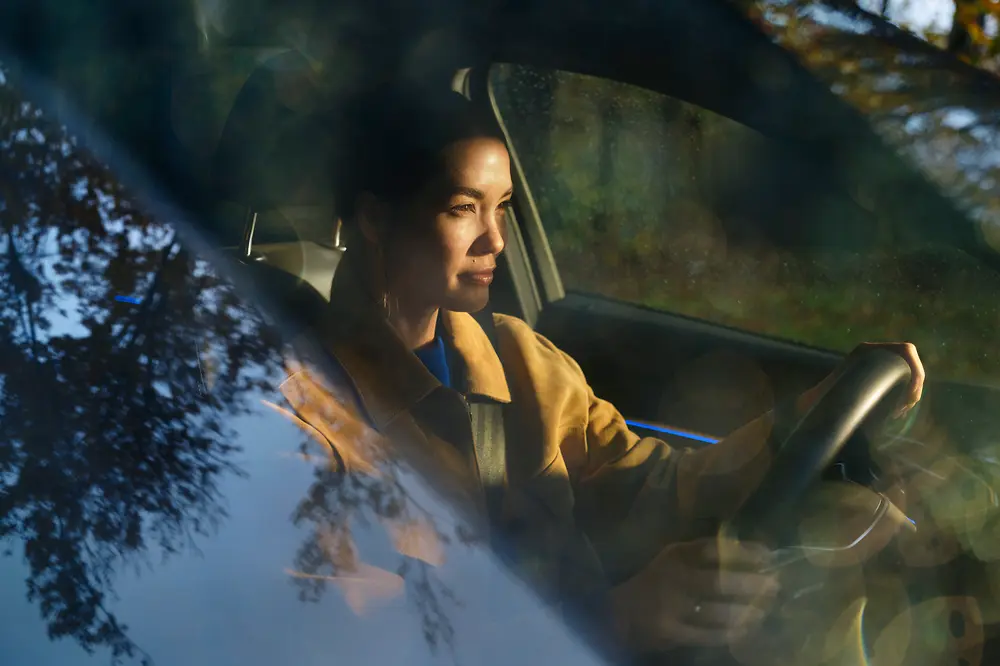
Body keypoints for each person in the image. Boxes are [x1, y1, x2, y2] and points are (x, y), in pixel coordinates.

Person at [281, 84, 925, 657]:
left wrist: (811, 416)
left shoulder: (518, 358)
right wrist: (617, 616)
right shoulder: (303, 421)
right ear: (375, 219)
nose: (496, 240)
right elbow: (349, 639)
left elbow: (657, 490)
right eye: (462, 207)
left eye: (502, 206)